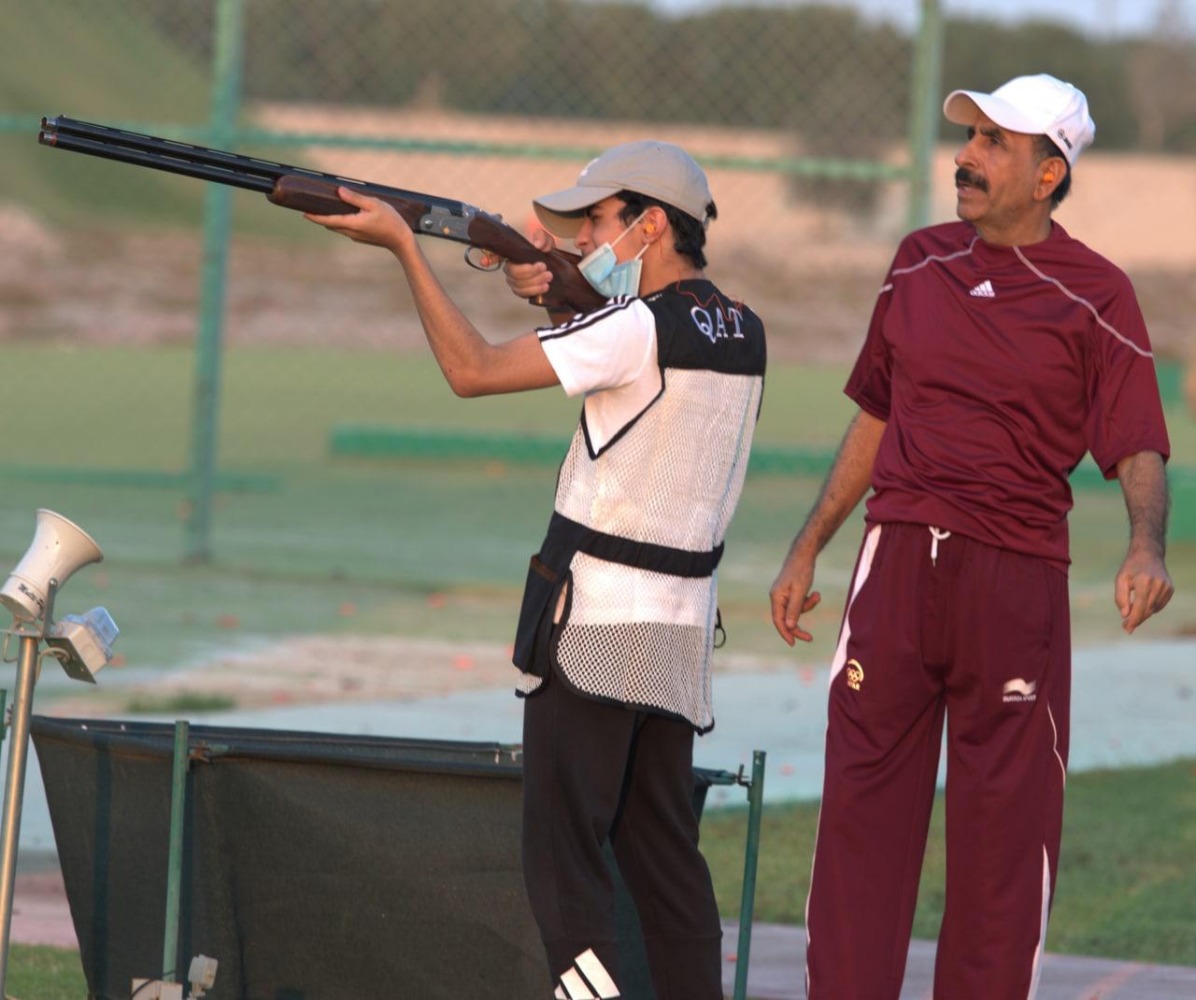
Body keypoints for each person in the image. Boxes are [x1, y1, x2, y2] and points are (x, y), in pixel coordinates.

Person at [307, 140, 767, 1000]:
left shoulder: (630, 329)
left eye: (597, 221)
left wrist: (406, 248)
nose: (587, 236)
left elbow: (471, 371)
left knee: (564, 864)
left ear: (651, 224)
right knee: (662, 856)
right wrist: (561, 295)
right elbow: (640, 384)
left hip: (595, 627)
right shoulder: (743, 327)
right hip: (679, 634)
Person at [768, 74, 1173, 999]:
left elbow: (1137, 440)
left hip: (1014, 581)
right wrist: (808, 545)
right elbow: (876, 410)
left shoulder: (1099, 294)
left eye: (995, 142)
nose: (967, 156)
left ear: (1048, 172)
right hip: (897, 565)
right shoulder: (915, 260)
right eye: (971, 137)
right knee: (860, 839)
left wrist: (1145, 544)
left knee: (1001, 857)